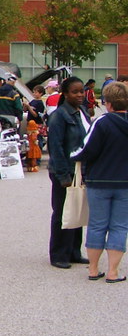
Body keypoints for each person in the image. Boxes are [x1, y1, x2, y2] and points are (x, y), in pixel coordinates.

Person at [72, 81, 128, 282]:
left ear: (108, 103)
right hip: (125, 183)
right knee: (120, 226)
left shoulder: (101, 123)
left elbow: (86, 150)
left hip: (99, 180)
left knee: (97, 225)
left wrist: (71, 156)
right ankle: (113, 271)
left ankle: (93, 269)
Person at [47, 76, 91, 269]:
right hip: (63, 171)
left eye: (81, 91)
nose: (80, 95)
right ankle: (58, 254)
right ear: (65, 94)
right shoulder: (59, 116)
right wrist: (63, 175)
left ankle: (74, 251)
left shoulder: (81, 111)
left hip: (80, 170)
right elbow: (55, 147)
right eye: (75, 91)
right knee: (62, 213)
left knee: (77, 210)